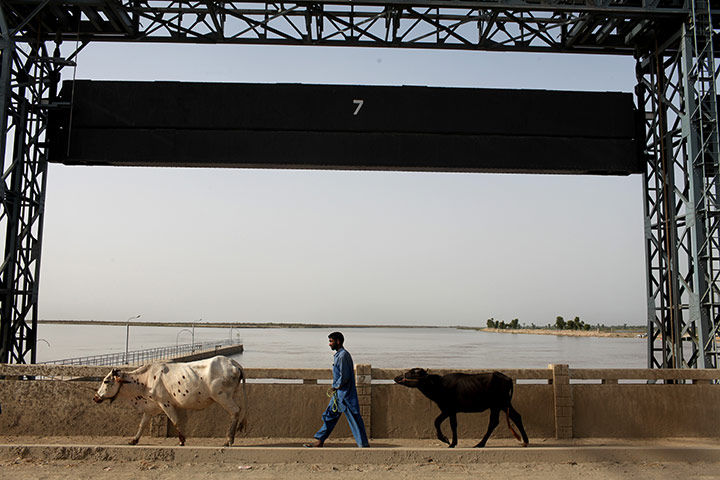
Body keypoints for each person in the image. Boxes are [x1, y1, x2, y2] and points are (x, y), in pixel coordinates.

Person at [304, 331, 369, 448]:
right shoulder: (340, 355)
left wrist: (336, 386)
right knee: (329, 416)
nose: (329, 344)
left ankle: (363, 445)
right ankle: (320, 440)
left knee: (354, 418)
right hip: (339, 395)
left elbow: (344, 376)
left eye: (331, 341)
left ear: (338, 341)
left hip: (345, 395)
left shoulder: (343, 356)